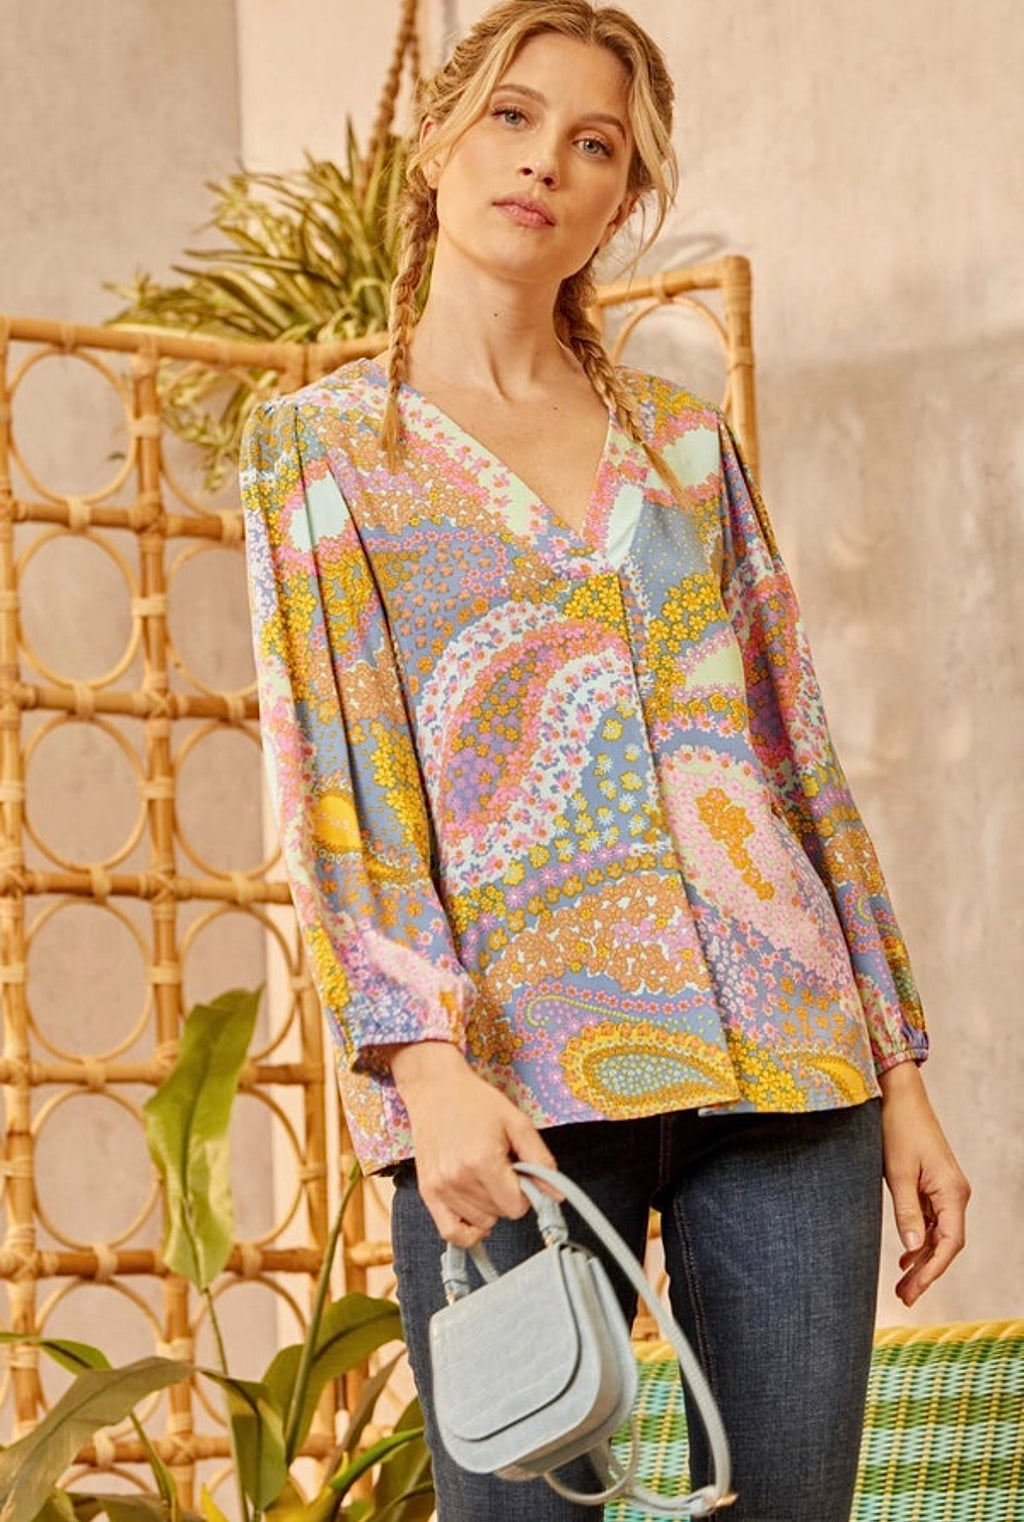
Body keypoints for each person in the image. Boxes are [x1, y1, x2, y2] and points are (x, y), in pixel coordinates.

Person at [241, 2, 970, 1517]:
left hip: (790, 1071)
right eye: (512, 118)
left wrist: (899, 1071)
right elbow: (340, 787)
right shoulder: (322, 452)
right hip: (512, 1087)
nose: (544, 163)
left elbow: (794, 754)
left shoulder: (687, 448)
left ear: (622, 199)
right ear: (436, 146)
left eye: (594, 144)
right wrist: (422, 1065)